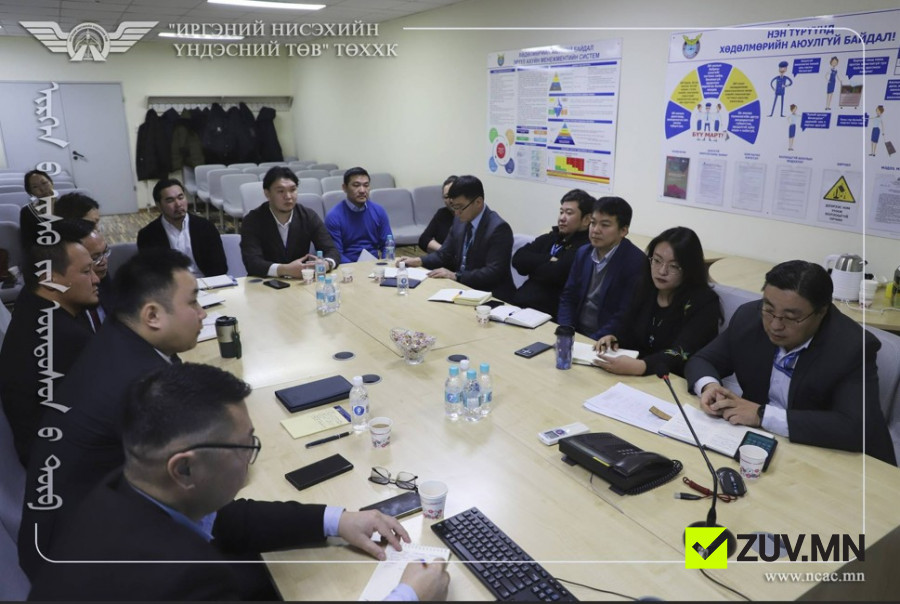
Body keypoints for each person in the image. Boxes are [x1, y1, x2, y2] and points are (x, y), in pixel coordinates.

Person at [28, 363, 450, 601]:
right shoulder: (185, 583)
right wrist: (410, 596)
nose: (252, 459)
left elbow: (227, 518)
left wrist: (339, 520)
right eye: (245, 446)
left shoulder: (124, 487)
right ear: (184, 469)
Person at [19, 249, 207, 578]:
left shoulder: (118, 338)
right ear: (152, 315)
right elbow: (200, 484)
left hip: (71, 529)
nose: (202, 313)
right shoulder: (141, 384)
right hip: (85, 567)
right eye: (193, 302)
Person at [685, 260, 896, 466]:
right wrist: (710, 387)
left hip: (836, 460)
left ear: (821, 312)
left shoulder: (852, 347)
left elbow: (854, 428)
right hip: (764, 445)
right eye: (769, 309)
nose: (775, 325)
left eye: (791, 317)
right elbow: (703, 360)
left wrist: (762, 416)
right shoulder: (749, 318)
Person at [0, 234, 98, 466]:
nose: (96, 279)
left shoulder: (31, 302)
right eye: (86, 272)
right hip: (61, 464)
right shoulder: (65, 338)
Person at [592, 227, 721, 378]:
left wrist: (641, 366)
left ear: (689, 269)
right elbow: (627, 327)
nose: (662, 271)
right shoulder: (644, 287)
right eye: (657, 261)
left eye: (674, 266)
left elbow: (683, 352)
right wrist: (614, 338)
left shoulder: (704, 302)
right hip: (636, 375)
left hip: (675, 381)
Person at [396, 175, 515, 301]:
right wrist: (418, 261)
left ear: (478, 202)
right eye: (454, 207)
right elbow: (444, 254)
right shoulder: (460, 220)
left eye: (460, 207)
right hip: (462, 289)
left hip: (491, 296)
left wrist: (456, 276)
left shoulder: (499, 229)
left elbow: (493, 272)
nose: (456, 213)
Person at [557, 196, 647, 339]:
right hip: (576, 332)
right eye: (593, 223)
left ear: (623, 230)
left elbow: (624, 315)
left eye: (605, 225)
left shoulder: (635, 262)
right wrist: (566, 331)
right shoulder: (583, 253)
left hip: (607, 339)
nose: (595, 230)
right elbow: (568, 296)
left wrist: (591, 342)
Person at [241, 166, 340, 277]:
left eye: (292, 190)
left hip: (300, 281)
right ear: (267, 193)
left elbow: (331, 250)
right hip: (265, 281)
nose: (288, 196)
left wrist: (326, 264)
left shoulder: (308, 216)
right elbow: (252, 262)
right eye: (280, 191)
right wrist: (284, 269)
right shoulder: (252, 220)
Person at [510, 189, 592, 317]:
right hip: (519, 304)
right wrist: (549, 259)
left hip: (549, 313)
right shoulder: (552, 237)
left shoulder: (586, 246)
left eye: (569, 213)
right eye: (561, 212)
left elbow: (556, 273)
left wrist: (532, 267)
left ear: (586, 220)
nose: (562, 218)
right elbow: (518, 259)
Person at [137, 178, 227, 277]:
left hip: (205, 281)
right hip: (170, 284)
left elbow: (220, 267)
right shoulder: (148, 235)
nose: (178, 204)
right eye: (170, 200)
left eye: (181, 197)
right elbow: (150, 274)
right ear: (159, 205)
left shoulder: (206, 227)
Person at [325, 167, 394, 263]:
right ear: (344, 188)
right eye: (356, 185)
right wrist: (357, 268)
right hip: (346, 266)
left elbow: (387, 245)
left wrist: (385, 263)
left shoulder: (379, 211)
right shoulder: (334, 216)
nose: (362, 190)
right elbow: (336, 253)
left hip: (374, 264)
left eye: (366, 185)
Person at [18, 169, 58, 250]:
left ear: (51, 183)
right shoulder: (27, 212)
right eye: (35, 187)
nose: (42, 189)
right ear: (30, 192)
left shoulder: (68, 204)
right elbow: (28, 243)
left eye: (44, 183)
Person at [417, 175, 457, 252]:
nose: (451, 200)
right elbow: (423, 239)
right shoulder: (442, 214)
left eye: (454, 195)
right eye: (446, 197)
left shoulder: (471, 216)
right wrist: (444, 250)